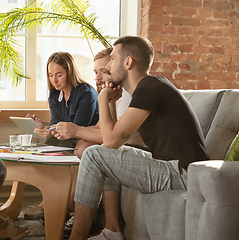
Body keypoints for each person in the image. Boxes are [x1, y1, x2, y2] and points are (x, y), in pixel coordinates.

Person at [68, 36, 209, 240]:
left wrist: (101, 97)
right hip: (175, 167)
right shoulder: (149, 87)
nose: (108, 66)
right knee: (105, 156)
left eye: (112, 59)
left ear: (128, 62)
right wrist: (109, 103)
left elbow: (110, 141)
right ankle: (111, 233)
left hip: (184, 174)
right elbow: (114, 138)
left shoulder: (149, 89)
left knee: (93, 155)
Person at [53, 47, 145, 237]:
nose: (98, 77)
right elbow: (103, 128)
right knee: (82, 146)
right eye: (96, 72)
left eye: (104, 70)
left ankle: (87, 218)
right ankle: (99, 224)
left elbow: (112, 138)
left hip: (136, 150)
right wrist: (72, 130)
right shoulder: (113, 93)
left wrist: (77, 130)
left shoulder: (128, 95)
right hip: (120, 145)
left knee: (92, 150)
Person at [24, 52, 99, 220]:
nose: (54, 80)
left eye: (59, 75)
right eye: (51, 75)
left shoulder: (86, 93)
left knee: (61, 146)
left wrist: (54, 131)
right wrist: (45, 129)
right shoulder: (53, 95)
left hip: (86, 137)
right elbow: (57, 123)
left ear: (70, 72)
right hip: (68, 137)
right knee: (48, 143)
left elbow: (78, 128)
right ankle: (52, 199)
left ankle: (60, 202)